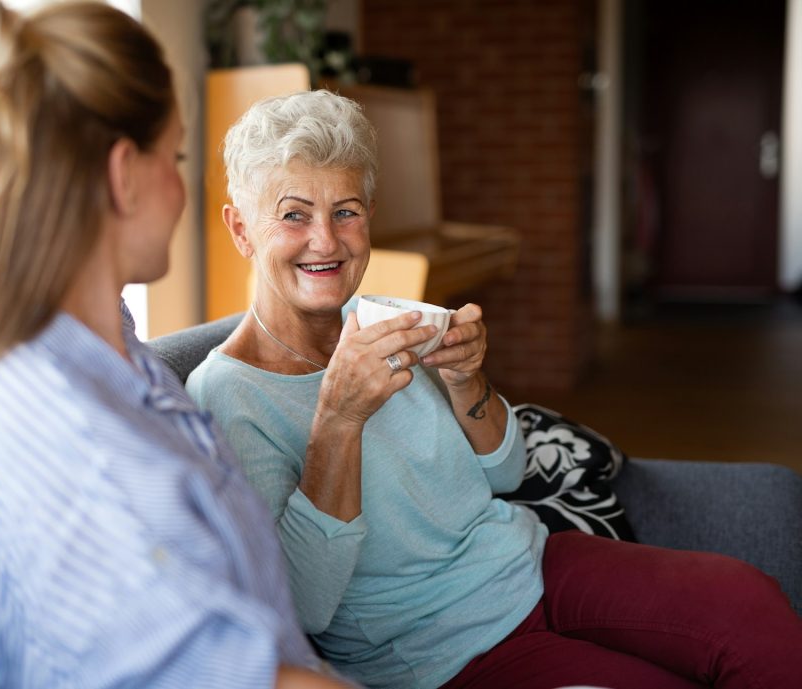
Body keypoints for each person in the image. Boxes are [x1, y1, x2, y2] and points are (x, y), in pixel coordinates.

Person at [186, 89, 802, 689]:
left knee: (749, 601)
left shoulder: (383, 324)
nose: (326, 240)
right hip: (438, 648)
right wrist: (339, 419)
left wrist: (465, 380)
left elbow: (507, 473)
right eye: (294, 214)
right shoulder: (227, 395)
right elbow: (305, 605)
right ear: (242, 230)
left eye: (346, 210)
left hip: (532, 563)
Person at [0, 3, 356, 688]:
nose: (182, 187)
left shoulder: (111, 352)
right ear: (123, 174)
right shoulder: (55, 431)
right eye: (174, 155)